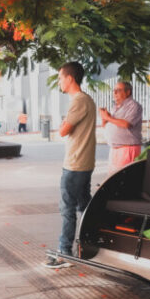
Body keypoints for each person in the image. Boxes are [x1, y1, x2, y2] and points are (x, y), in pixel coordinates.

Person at [44, 62, 97, 269]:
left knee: (67, 209)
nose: (59, 82)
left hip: (75, 164)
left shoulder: (79, 101)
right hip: (83, 162)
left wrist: (63, 124)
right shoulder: (85, 100)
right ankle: (89, 243)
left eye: (60, 78)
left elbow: (64, 130)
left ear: (70, 78)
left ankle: (65, 252)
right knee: (85, 206)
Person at [100, 82, 143, 176]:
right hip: (114, 149)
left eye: (118, 90)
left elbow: (127, 124)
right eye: (114, 90)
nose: (115, 93)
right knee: (113, 180)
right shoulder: (115, 107)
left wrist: (108, 118)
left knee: (124, 180)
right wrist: (104, 118)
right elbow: (106, 126)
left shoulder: (134, 106)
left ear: (128, 92)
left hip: (127, 149)